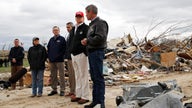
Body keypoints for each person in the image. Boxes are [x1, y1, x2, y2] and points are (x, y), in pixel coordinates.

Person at [82, 4, 109, 108]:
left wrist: (87, 40)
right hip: (92, 52)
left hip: (97, 52)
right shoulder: (92, 25)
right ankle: (95, 101)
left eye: (86, 12)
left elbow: (101, 37)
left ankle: (101, 103)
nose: (86, 14)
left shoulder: (100, 23)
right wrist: (87, 41)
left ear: (91, 12)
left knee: (98, 78)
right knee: (94, 77)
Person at [70, 11, 89, 104]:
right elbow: (70, 41)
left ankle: (85, 96)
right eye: (77, 17)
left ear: (83, 18)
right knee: (77, 75)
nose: (78, 18)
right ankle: (78, 94)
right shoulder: (73, 28)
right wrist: (70, 52)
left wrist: (84, 52)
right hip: (73, 55)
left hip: (81, 54)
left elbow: (88, 40)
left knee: (84, 75)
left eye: (80, 17)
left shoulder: (86, 28)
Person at [47, 26, 66, 96]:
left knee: (61, 75)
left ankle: (62, 90)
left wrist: (60, 56)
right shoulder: (51, 39)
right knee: (53, 75)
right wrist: (49, 57)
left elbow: (64, 49)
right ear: (53, 31)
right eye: (54, 30)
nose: (55, 31)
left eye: (56, 30)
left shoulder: (62, 39)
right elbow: (48, 49)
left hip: (60, 60)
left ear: (59, 31)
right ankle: (54, 89)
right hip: (52, 61)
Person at [65, 22, 76, 97]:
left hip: (73, 57)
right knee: (71, 75)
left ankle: (75, 91)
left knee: (74, 75)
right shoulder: (68, 35)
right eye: (67, 27)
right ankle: (71, 90)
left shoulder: (74, 35)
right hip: (69, 57)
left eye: (69, 27)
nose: (67, 29)